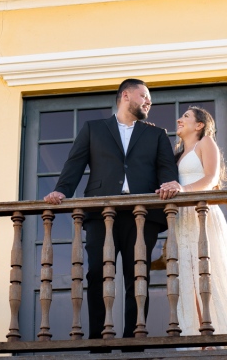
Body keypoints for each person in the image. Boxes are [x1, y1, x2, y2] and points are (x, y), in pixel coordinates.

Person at [44, 78, 179, 339]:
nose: (149, 101)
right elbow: (75, 164)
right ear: (126, 95)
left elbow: (166, 170)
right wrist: (62, 190)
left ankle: (135, 340)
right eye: (144, 96)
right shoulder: (93, 129)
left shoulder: (157, 134)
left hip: (142, 216)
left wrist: (171, 184)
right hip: (101, 214)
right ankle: (97, 339)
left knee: (138, 276)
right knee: (97, 274)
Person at [157, 106, 227, 336]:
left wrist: (182, 189)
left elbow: (210, 178)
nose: (179, 119)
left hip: (202, 214)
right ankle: (197, 337)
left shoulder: (205, 143)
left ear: (199, 125)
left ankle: (217, 335)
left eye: (186, 117)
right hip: (183, 219)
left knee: (207, 272)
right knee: (188, 277)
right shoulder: (178, 155)